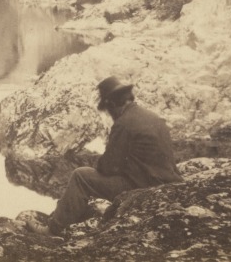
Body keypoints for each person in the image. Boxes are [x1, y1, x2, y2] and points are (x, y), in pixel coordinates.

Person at [27, 76, 183, 236]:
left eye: (108, 109)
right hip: (167, 184)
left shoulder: (124, 123)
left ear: (113, 104)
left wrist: (106, 163)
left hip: (145, 187)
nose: (109, 114)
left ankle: (53, 230)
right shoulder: (152, 117)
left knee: (81, 176)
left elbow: (108, 167)